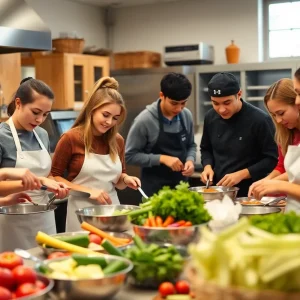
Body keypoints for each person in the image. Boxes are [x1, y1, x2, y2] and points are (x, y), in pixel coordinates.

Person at [51, 76, 141, 232]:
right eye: (105, 115)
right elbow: (53, 177)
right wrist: (89, 191)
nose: (109, 122)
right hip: (81, 213)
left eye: (115, 118)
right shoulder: (71, 138)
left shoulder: (117, 140)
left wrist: (126, 179)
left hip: (112, 211)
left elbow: (118, 180)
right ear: (92, 109)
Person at [0, 77, 69, 251]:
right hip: (10, 219)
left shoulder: (42, 135)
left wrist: (54, 185)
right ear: (18, 103)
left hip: (44, 217)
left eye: (45, 114)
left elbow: (46, 175)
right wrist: (39, 182)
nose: (39, 119)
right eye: (35, 112)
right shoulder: (2, 137)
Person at [200, 72, 278, 197]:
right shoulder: (210, 117)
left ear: (239, 94)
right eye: (215, 103)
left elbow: (272, 159)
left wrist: (242, 174)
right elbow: (206, 149)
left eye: (227, 103)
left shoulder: (260, 120)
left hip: (250, 194)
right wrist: (207, 167)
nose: (221, 109)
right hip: (219, 192)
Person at [125, 72, 196, 197]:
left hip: (182, 189)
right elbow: (129, 156)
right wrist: (162, 159)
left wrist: (190, 160)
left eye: (183, 103)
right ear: (162, 95)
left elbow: (191, 145)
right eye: (174, 103)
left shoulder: (186, 115)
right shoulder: (144, 120)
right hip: (154, 192)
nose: (179, 109)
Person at [250, 68, 300, 212]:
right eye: (273, 115)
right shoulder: (285, 133)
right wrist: (266, 182)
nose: (278, 120)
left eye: (281, 113)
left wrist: (275, 183)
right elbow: (282, 167)